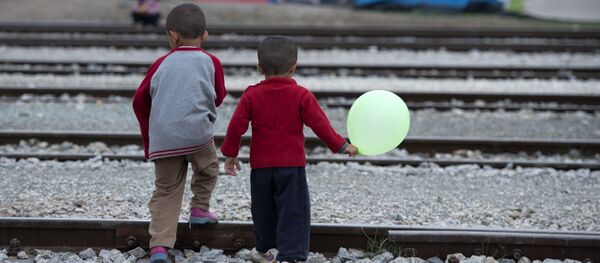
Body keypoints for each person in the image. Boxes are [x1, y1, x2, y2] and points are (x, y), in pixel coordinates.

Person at [221, 36, 358, 263]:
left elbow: (236, 126)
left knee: (263, 210)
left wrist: (231, 153)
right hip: (291, 167)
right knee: (294, 210)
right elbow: (320, 124)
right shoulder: (301, 95)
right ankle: (292, 254)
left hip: (261, 168)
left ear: (259, 68)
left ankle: (267, 249)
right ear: (294, 67)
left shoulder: (251, 95)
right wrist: (341, 145)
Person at [132, 3, 226, 263]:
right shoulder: (212, 61)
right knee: (208, 169)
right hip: (198, 135)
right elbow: (219, 96)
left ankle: (160, 247)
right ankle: (199, 207)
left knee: (166, 191)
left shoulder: (161, 63)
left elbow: (140, 100)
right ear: (204, 35)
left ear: (172, 35)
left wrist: (152, 130)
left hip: (164, 138)